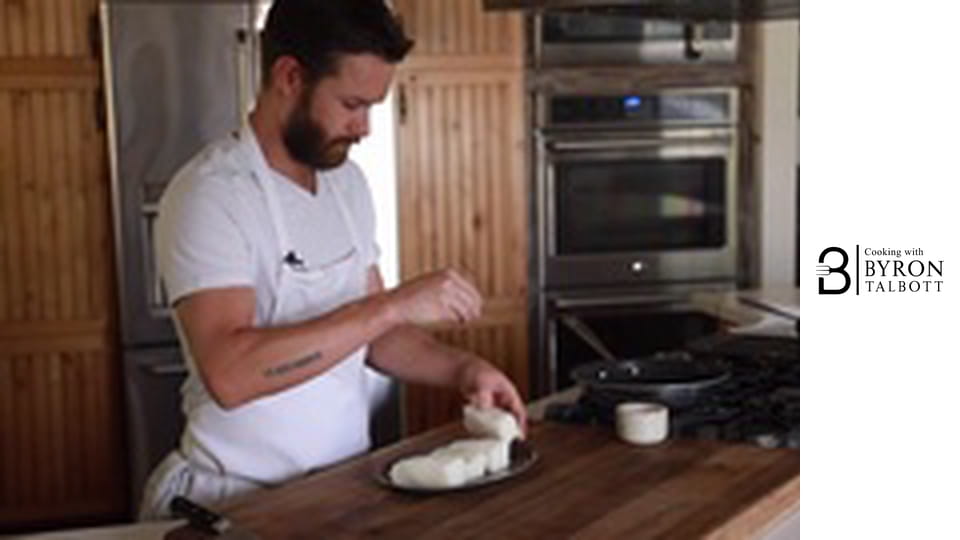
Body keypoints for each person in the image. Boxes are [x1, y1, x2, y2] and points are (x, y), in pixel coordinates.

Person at [139, 0, 526, 519]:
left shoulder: (346, 184)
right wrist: (392, 305)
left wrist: (464, 369)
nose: (363, 127)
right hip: (233, 503)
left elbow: (377, 338)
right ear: (290, 76)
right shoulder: (212, 194)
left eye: (372, 107)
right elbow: (230, 375)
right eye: (351, 103)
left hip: (339, 494)